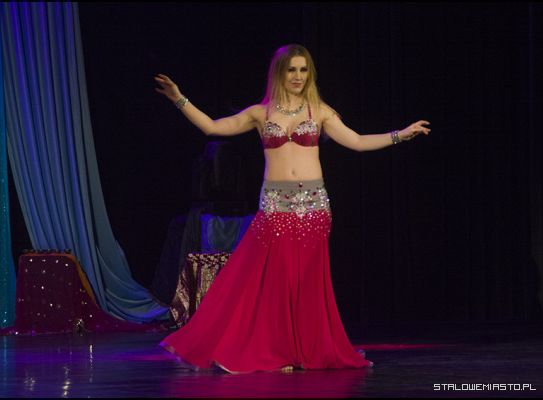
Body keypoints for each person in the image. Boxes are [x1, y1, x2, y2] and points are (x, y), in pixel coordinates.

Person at [154, 44, 430, 374]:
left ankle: (300, 352)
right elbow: (213, 127)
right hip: (275, 208)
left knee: (306, 284)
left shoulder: (320, 111)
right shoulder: (261, 113)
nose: (298, 76)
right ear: (279, 73)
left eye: (303, 69)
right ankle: (275, 350)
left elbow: (356, 141)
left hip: (313, 208)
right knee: (270, 281)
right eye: (291, 70)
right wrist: (179, 99)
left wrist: (400, 135)